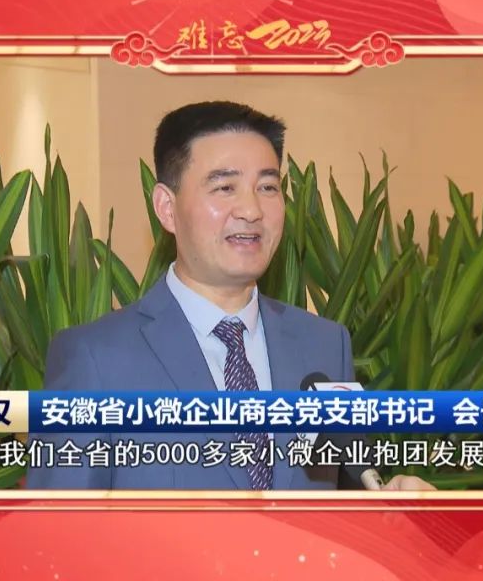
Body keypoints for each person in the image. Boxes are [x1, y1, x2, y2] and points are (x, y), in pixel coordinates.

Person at [25, 101, 434, 491]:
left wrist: (391, 512)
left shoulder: (325, 347)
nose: (251, 210)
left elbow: (345, 503)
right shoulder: (95, 359)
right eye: (224, 187)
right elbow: (58, 530)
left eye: (268, 187)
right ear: (166, 208)